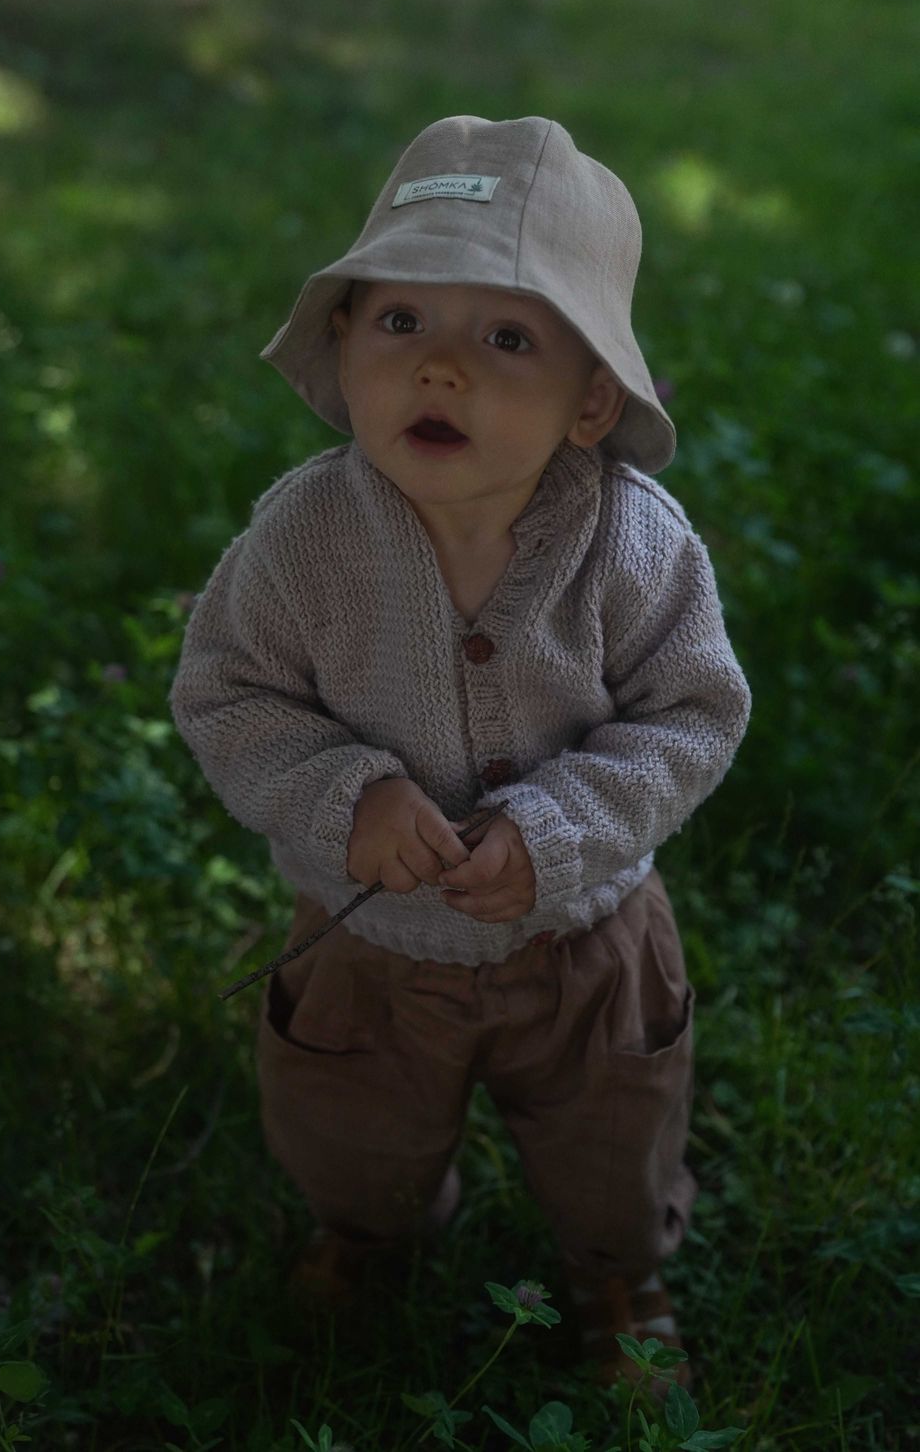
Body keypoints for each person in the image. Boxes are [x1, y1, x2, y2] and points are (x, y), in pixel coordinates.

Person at [169, 115, 751, 1385]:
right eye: (400, 323)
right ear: (341, 340)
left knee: (613, 1132)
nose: (441, 371)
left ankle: (615, 1273)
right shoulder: (305, 534)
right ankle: (369, 1231)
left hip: (585, 942)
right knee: (347, 1128)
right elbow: (227, 693)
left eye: (504, 338)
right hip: (369, 938)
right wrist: (343, 791)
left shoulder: (633, 545)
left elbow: (690, 715)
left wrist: (561, 830)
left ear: (592, 394)